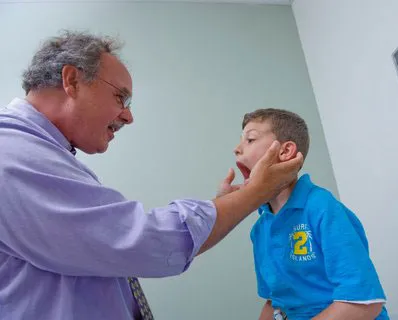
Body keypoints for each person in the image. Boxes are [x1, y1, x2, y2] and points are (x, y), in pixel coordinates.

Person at [0, 31, 303, 320]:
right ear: (72, 80)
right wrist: (253, 194)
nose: (128, 116)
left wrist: (235, 202)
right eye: (121, 97)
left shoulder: (319, 211)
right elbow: (137, 241)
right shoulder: (11, 153)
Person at [232, 108, 389, 320]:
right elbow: (274, 301)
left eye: (250, 139)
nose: (237, 149)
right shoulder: (260, 230)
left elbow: (363, 303)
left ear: (285, 152)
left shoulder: (322, 208)